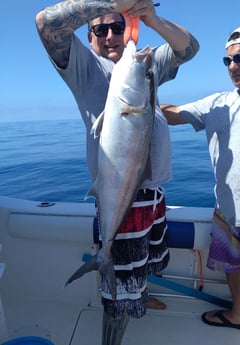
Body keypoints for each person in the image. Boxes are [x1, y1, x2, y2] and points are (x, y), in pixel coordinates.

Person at [35, 1, 199, 343]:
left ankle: (138, 294)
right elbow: (46, 23)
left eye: (117, 27)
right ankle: (115, 328)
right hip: (121, 196)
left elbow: (189, 49)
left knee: (148, 260)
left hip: (153, 193)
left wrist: (150, 18)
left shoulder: (141, 66)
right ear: (89, 37)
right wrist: (114, 3)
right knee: (119, 288)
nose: (110, 35)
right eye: (100, 29)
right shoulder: (83, 68)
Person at [161, 23, 240, 332]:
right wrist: (138, 99)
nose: (233, 66)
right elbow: (173, 114)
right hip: (227, 213)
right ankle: (239, 315)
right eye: (227, 60)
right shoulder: (217, 103)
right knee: (233, 266)